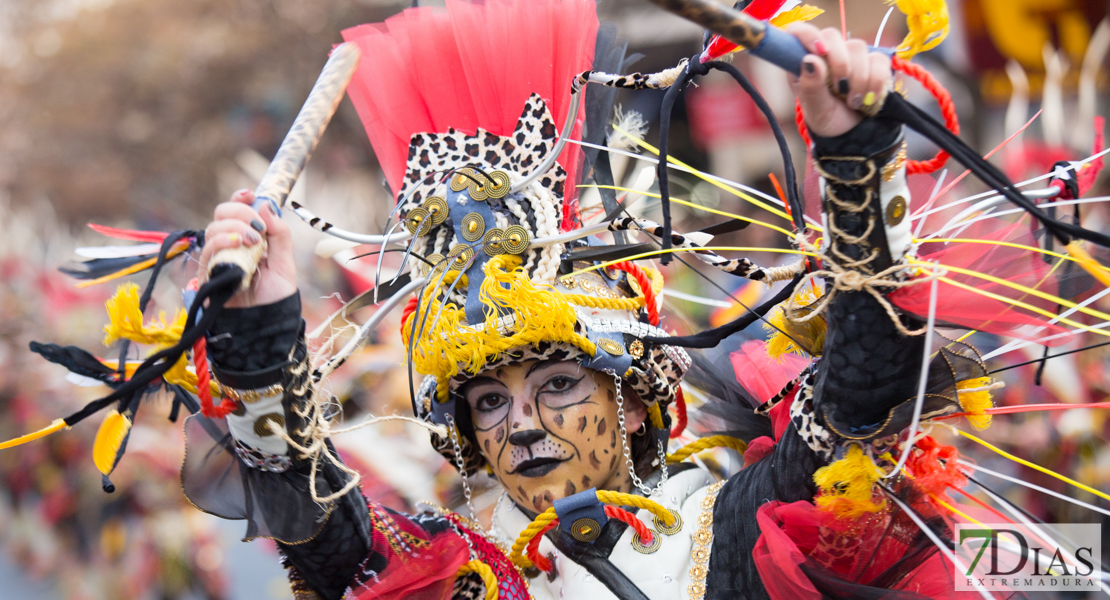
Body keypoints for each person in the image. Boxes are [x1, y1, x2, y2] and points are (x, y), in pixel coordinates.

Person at [184, 3, 997, 598]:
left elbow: (865, 402)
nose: (525, 424)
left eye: (559, 384)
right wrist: (260, 336)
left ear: (637, 402)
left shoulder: (728, 535)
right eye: (490, 403)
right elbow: (316, 521)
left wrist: (857, 160)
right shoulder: (468, 584)